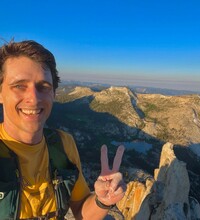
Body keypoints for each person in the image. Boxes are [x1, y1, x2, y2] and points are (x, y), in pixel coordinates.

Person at [0, 40, 126, 220]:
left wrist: (103, 200)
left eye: (43, 87)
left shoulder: (63, 144)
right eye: (19, 85)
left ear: (53, 94)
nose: (33, 98)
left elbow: (81, 211)